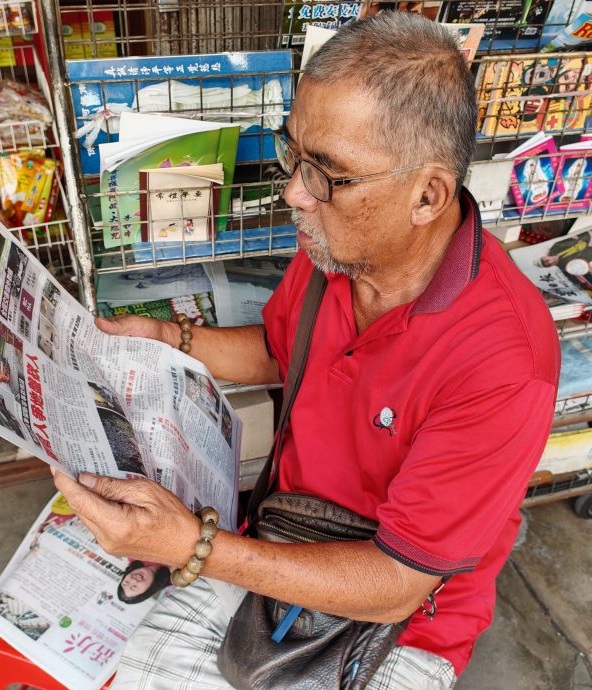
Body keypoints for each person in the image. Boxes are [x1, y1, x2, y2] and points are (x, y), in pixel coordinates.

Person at [52, 12, 560, 689]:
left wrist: (194, 548)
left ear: (428, 195)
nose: (295, 192)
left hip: (401, 619)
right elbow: (278, 349)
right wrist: (172, 342)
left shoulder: (505, 363)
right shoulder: (335, 252)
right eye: (296, 154)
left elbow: (396, 583)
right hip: (280, 536)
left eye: (329, 173)